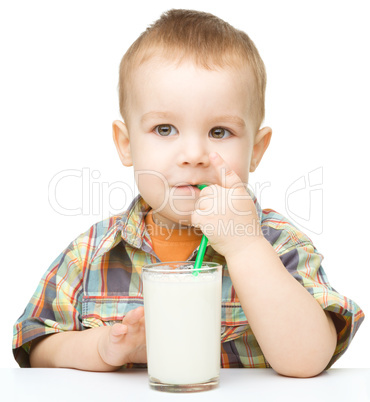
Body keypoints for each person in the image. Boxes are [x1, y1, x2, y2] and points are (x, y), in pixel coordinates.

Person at [13, 9, 364, 378]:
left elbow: (309, 359)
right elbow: (36, 347)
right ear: (126, 144)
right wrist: (101, 347)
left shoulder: (278, 245)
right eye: (165, 129)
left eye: (219, 132)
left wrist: (245, 248)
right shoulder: (91, 254)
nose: (194, 155)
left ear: (256, 150)